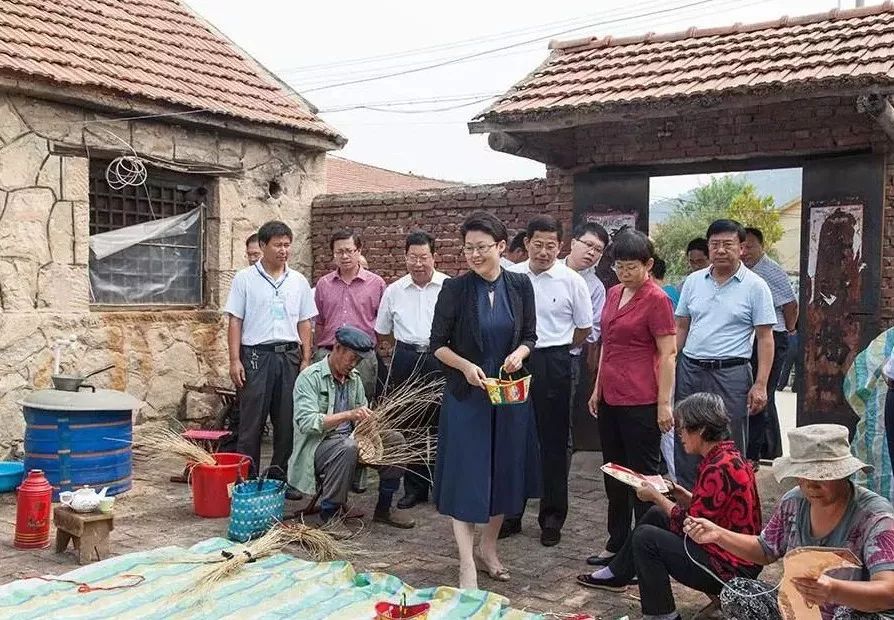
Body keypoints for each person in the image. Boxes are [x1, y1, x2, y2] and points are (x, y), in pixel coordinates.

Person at [578, 393, 762, 620]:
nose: (679, 434)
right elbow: (711, 510)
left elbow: (693, 524)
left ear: (702, 430)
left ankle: (662, 614)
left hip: (730, 567)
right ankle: (618, 573)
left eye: (684, 428)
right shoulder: (727, 456)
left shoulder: (718, 466)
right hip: (731, 555)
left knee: (646, 538)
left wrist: (657, 496)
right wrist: (680, 493)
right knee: (656, 516)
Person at [431, 210, 541, 589]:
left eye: (482, 247)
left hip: (508, 395)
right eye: (468, 249)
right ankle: (466, 563)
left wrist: (521, 353)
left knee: (503, 474)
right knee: (467, 476)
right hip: (468, 398)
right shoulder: (455, 290)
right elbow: (438, 346)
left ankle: (489, 548)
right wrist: (464, 366)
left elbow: (530, 335)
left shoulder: (520, 286)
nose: (474, 255)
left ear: (500, 247)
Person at [685, 424, 894, 620]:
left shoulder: (874, 517)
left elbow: (889, 591)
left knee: (847, 614)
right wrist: (718, 534)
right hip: (799, 610)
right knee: (736, 593)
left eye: (822, 476)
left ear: (845, 474)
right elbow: (765, 550)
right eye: (803, 475)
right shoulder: (794, 501)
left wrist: (833, 590)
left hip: (850, 611)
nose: (811, 485)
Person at [585, 230, 677, 565]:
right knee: (614, 474)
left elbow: (668, 353)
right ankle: (616, 543)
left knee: (643, 479)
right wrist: (597, 388)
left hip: (642, 399)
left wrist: (664, 403)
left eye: (631, 267)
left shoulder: (657, 300)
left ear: (648, 264)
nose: (624, 273)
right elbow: (607, 345)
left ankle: (644, 551)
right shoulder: (612, 294)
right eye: (619, 266)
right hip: (611, 395)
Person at [504, 215, 593, 547]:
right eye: (537, 244)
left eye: (551, 245)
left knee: (553, 444)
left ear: (561, 246)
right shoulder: (510, 276)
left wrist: (560, 348)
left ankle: (552, 518)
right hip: (513, 363)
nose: (543, 252)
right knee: (513, 439)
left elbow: (584, 328)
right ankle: (510, 513)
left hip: (554, 362)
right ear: (527, 243)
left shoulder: (571, 281)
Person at [674, 219, 776, 488]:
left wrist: (761, 384)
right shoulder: (693, 282)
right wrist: (669, 364)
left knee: (729, 440)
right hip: (691, 370)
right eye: (714, 244)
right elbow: (681, 326)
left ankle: (728, 503)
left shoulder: (756, 286)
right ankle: (688, 503)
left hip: (731, 373)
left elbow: (765, 338)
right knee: (686, 433)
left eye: (727, 244)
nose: (720, 250)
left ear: (741, 248)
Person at [288, 326, 414, 530]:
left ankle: (384, 508)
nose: (354, 365)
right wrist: (348, 415)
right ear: (337, 348)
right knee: (347, 446)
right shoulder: (309, 378)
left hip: (352, 441)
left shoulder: (354, 379)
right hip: (318, 447)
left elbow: (361, 414)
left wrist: (371, 423)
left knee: (395, 440)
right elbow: (307, 422)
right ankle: (330, 514)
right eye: (352, 358)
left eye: (359, 361)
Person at [224, 220, 316, 476]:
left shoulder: (298, 281)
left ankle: (279, 476)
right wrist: (234, 359)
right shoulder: (245, 279)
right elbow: (235, 320)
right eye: (277, 245)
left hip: (289, 356)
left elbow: (305, 321)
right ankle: (248, 477)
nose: (283, 250)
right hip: (255, 357)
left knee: (287, 421)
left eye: (287, 245)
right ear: (263, 245)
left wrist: (306, 358)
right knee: (251, 422)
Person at [375, 231, 448, 509]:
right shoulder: (393, 291)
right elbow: (384, 332)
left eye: (424, 257)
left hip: (440, 358)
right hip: (405, 358)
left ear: (434, 257)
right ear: (405, 257)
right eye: (413, 257)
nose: (418, 264)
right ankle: (415, 488)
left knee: (442, 425)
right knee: (411, 425)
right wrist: (408, 347)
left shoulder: (449, 287)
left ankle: (443, 488)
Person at [741, 227, 798, 465]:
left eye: (750, 246)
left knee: (762, 394)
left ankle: (760, 453)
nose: (745, 252)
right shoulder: (743, 273)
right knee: (749, 397)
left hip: (772, 337)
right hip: (749, 340)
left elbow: (790, 305)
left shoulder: (771, 271)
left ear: (762, 246)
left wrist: (789, 329)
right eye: (742, 247)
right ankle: (761, 449)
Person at [562, 222, 608, 465]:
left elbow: (592, 331)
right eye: (588, 245)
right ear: (573, 243)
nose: (591, 252)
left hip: (568, 359)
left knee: (562, 421)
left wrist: (561, 343)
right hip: (529, 355)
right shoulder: (549, 271)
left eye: (598, 250)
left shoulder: (596, 288)